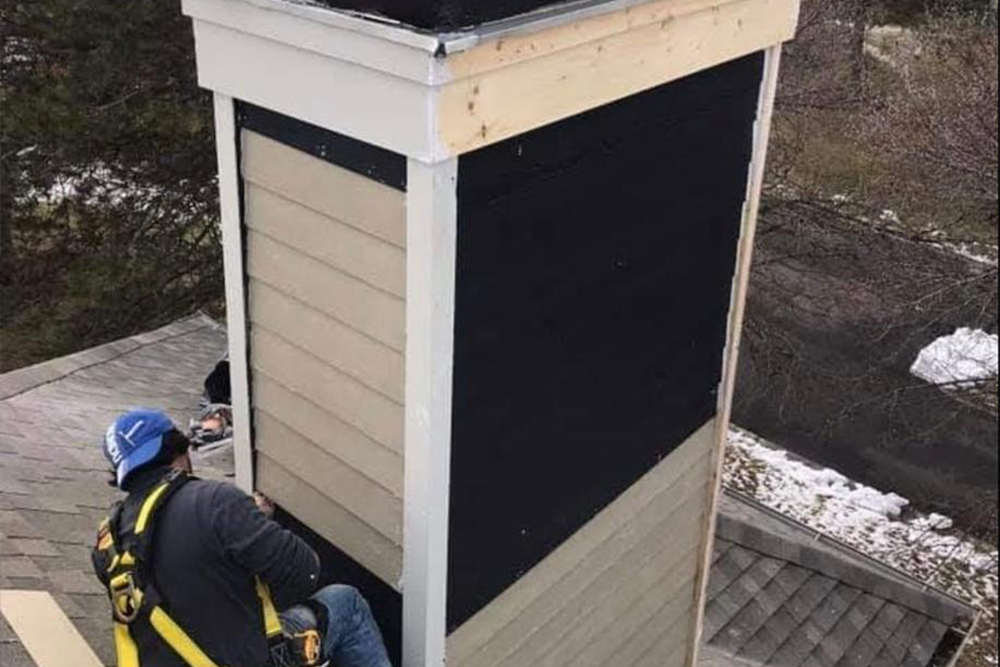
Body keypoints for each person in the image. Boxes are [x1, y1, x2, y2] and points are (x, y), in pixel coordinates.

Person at [91, 408, 393, 667]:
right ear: (179, 447)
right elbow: (304, 573)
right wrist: (249, 520)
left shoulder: (110, 541)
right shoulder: (214, 502)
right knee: (346, 602)